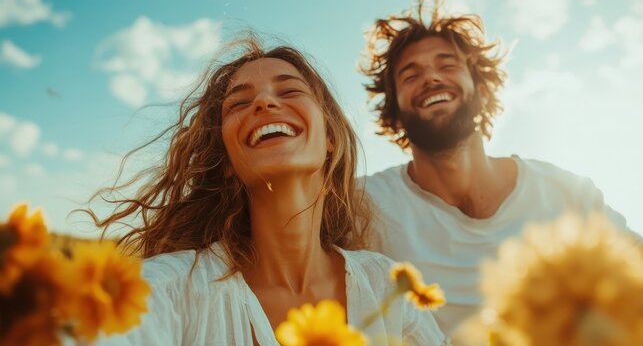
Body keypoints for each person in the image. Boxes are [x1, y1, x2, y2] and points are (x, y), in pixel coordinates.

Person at [91, 36, 448, 345]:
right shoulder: (167, 290)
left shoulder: (387, 288)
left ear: (329, 137)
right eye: (239, 103)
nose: (264, 103)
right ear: (228, 161)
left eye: (290, 90)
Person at [359, 0, 638, 337]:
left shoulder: (566, 191)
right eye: (410, 75)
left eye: (447, 65)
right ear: (394, 109)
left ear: (481, 86)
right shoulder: (364, 204)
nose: (431, 78)